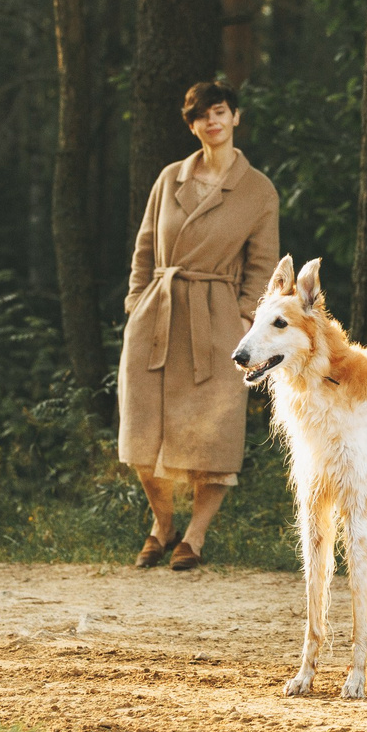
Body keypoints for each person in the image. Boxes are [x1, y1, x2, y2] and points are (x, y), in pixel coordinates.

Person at [118, 79, 279, 571]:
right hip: (158, 313)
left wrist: (247, 320)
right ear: (192, 126)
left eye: (220, 111)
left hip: (218, 320)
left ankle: (195, 535)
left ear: (235, 118)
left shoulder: (257, 189)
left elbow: (264, 264)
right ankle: (161, 523)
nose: (212, 121)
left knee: (214, 433)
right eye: (200, 115)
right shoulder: (170, 178)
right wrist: (136, 300)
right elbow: (146, 244)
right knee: (142, 430)